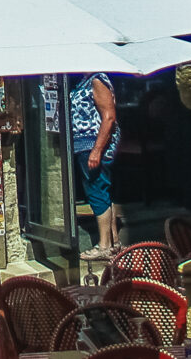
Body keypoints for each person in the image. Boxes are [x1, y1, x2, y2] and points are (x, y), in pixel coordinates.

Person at [68, 73, 118, 259]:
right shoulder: (83, 81)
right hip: (84, 145)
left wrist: (97, 150)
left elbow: (109, 117)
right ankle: (113, 241)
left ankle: (104, 245)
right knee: (100, 189)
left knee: (96, 190)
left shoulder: (97, 80)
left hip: (92, 144)